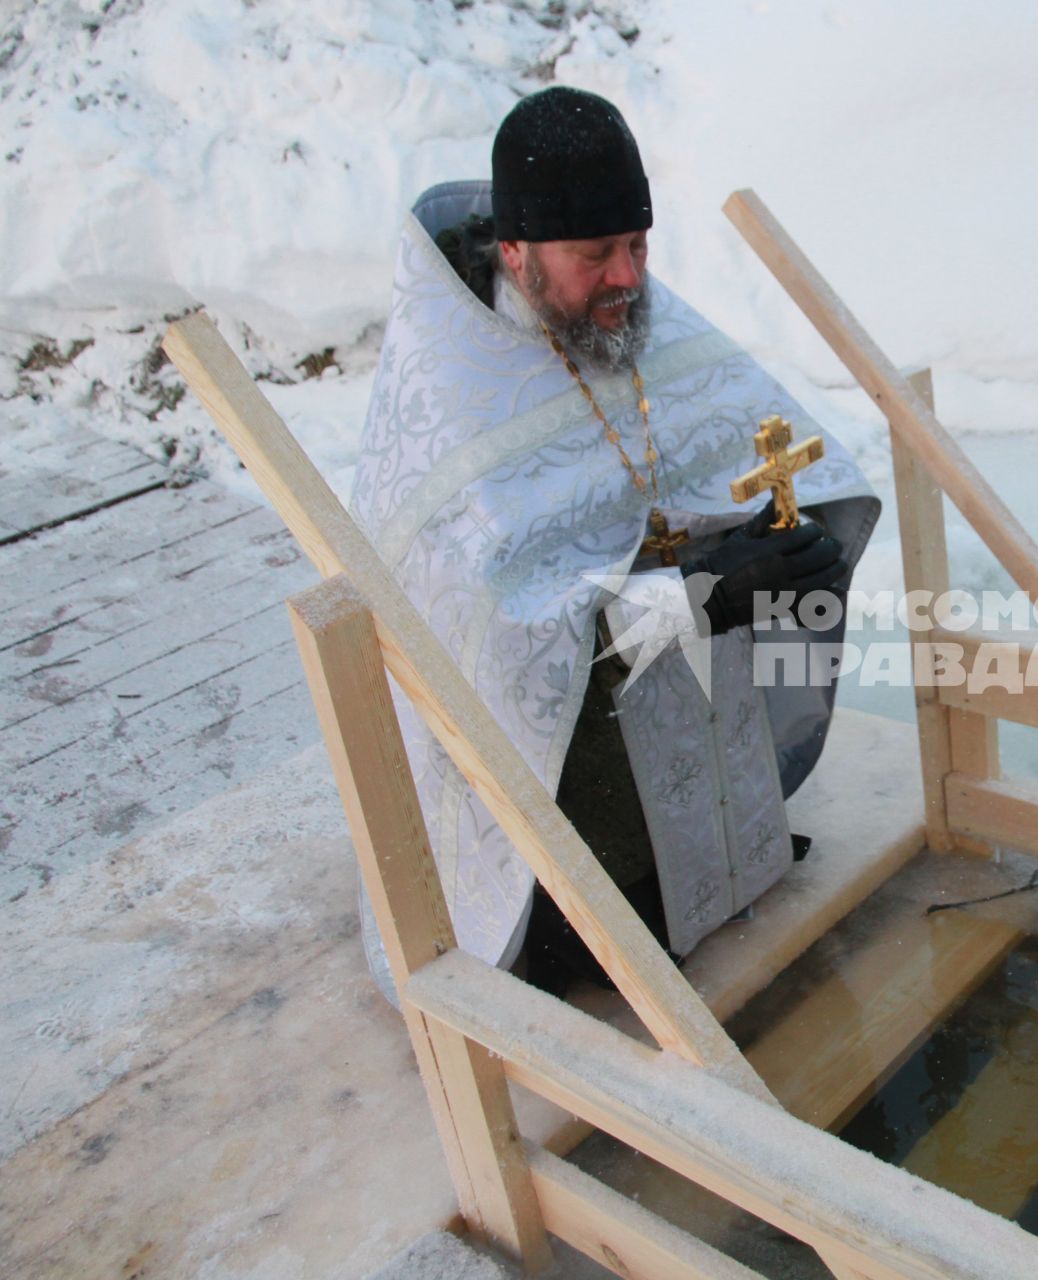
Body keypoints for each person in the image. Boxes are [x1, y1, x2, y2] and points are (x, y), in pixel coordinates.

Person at [348, 87, 880, 1001]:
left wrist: (781, 541)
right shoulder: (453, 393)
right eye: (596, 255)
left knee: (739, 610)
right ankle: (585, 909)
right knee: (633, 676)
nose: (628, 278)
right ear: (516, 252)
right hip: (555, 739)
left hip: (665, 654)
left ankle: (719, 850)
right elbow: (502, 645)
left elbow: (743, 436)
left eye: (637, 246)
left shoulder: (620, 311)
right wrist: (704, 589)